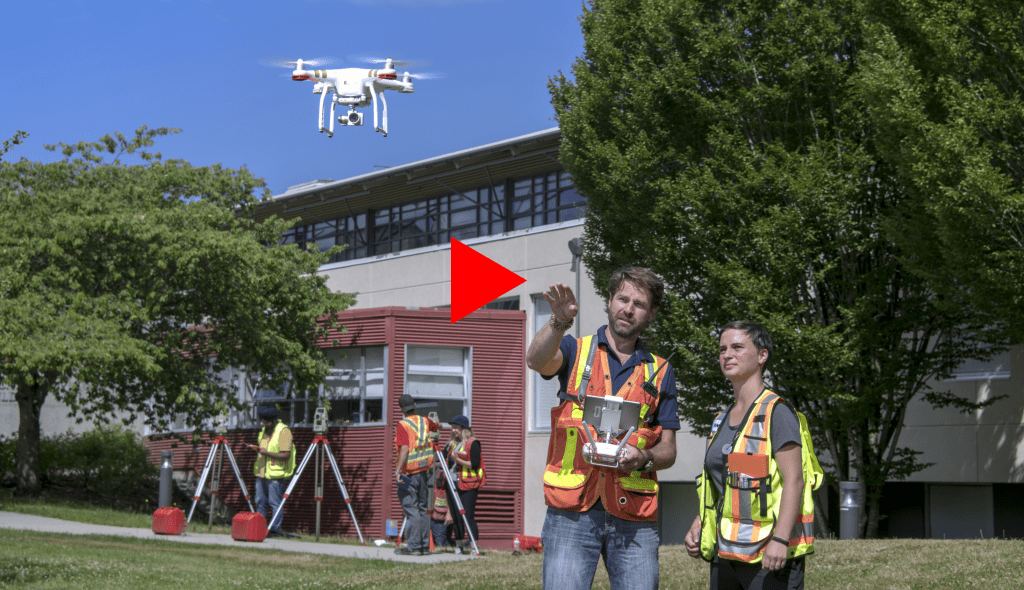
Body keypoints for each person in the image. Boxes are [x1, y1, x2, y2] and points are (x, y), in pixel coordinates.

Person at [526, 266, 680, 590]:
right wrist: (558, 321)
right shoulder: (574, 350)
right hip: (572, 510)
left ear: (650, 314)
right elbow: (536, 360)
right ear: (609, 301)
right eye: (622, 298)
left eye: (638, 304)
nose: (628, 308)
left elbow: (668, 450)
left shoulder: (661, 371)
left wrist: (643, 456)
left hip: (633, 514)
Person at [684, 321, 818, 590]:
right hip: (727, 553)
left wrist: (780, 540)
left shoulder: (776, 412)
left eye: (737, 347)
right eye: (722, 349)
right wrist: (699, 524)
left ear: (762, 355)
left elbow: (795, 481)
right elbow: (724, 485)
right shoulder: (720, 420)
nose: (727, 355)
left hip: (771, 557)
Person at [394, 393, 439, 556]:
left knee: (411, 508)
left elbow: (405, 449)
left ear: (402, 408)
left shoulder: (402, 425)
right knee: (421, 508)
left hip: (409, 473)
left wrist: (397, 470)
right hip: (424, 471)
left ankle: (414, 546)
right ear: (414, 405)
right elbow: (437, 427)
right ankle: (424, 545)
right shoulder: (425, 421)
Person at [247, 405, 296, 538]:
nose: (264, 424)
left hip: (275, 475)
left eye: (266, 422)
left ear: (274, 420)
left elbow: (286, 455)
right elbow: (263, 449)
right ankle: (260, 528)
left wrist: (266, 453)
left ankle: (274, 530)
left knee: (274, 503)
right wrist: (257, 449)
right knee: (260, 501)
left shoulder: (284, 431)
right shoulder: (264, 430)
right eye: (262, 422)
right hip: (262, 472)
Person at [444, 414, 485, 554]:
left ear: (464, 429)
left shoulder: (472, 443)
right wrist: (446, 450)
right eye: (453, 428)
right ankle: (459, 545)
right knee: (456, 516)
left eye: (456, 428)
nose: (453, 430)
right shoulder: (452, 444)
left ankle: (474, 546)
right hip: (452, 483)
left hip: (468, 485)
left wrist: (458, 460)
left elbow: (474, 464)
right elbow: (444, 461)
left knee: (468, 516)